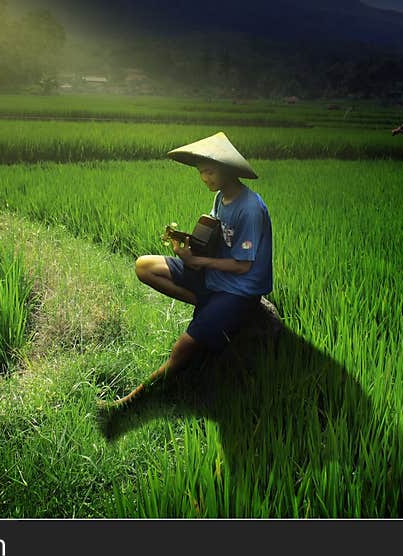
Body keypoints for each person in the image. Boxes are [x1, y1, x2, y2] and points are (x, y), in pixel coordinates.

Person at [100, 132, 273, 412]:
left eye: (209, 171)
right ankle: (208, 305)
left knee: (182, 349)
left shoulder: (250, 207)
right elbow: (214, 242)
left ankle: (129, 403)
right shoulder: (221, 198)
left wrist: (200, 263)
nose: (205, 178)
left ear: (228, 169)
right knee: (144, 266)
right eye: (201, 172)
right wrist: (188, 253)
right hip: (214, 276)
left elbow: (244, 266)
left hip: (239, 289)